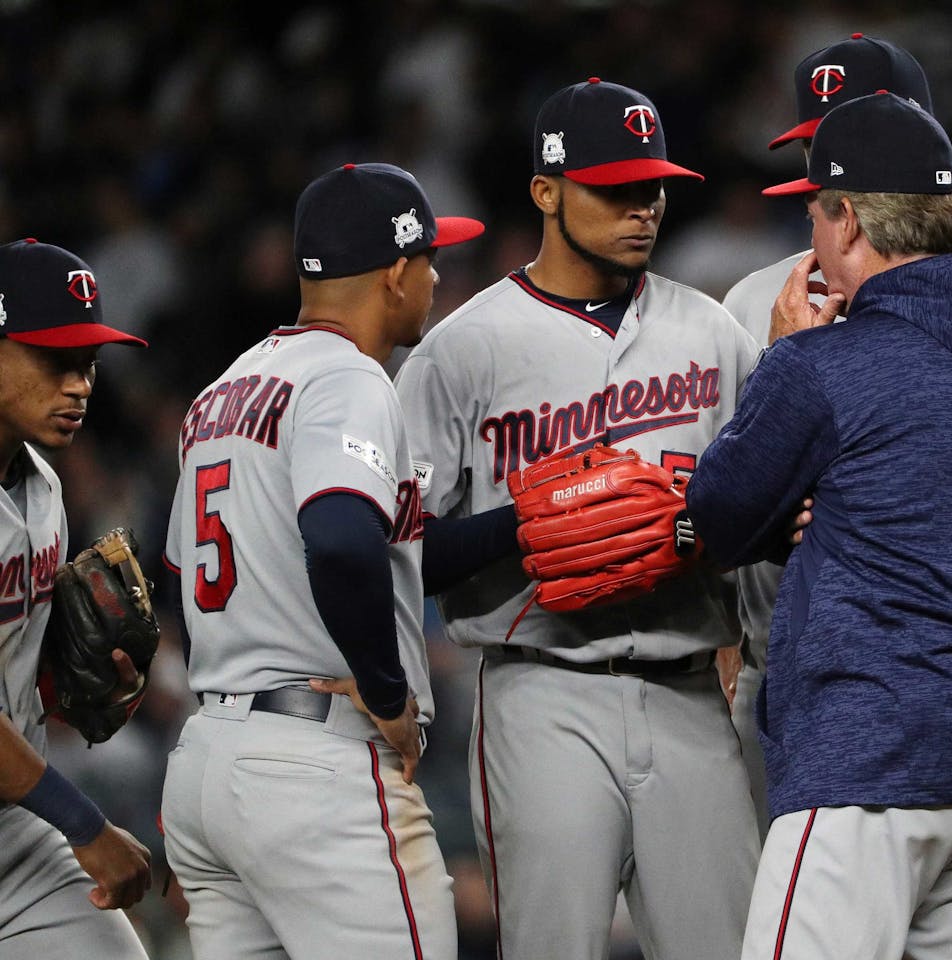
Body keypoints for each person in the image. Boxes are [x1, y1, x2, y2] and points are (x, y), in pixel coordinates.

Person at [687, 92, 952, 960]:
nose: (812, 232)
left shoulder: (826, 364)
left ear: (852, 224)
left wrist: (787, 353)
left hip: (875, 754)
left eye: (817, 211)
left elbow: (719, 516)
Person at [393, 78, 760, 959]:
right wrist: (520, 529)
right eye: (613, 189)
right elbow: (399, 549)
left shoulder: (714, 337)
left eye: (652, 187)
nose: (641, 209)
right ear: (546, 192)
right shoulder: (464, 348)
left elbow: (767, 514)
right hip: (539, 689)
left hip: (690, 692)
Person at [722, 33, 952, 836]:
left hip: (935, 694)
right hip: (785, 668)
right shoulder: (745, 303)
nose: (835, 156)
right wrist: (723, 630)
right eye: (819, 141)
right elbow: (726, 497)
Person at [159, 162, 484, 960]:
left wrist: (523, 525)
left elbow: (183, 576)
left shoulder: (222, 390)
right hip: (314, 768)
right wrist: (386, 692)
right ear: (396, 272)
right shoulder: (347, 376)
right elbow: (340, 541)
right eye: (432, 260)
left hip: (211, 761)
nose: (439, 278)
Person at [0, 238, 151, 958]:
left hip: (14, 828)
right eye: (55, 360)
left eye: (88, 364)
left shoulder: (45, 488)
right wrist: (85, 825)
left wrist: (67, 691)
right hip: (43, 810)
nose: (79, 385)